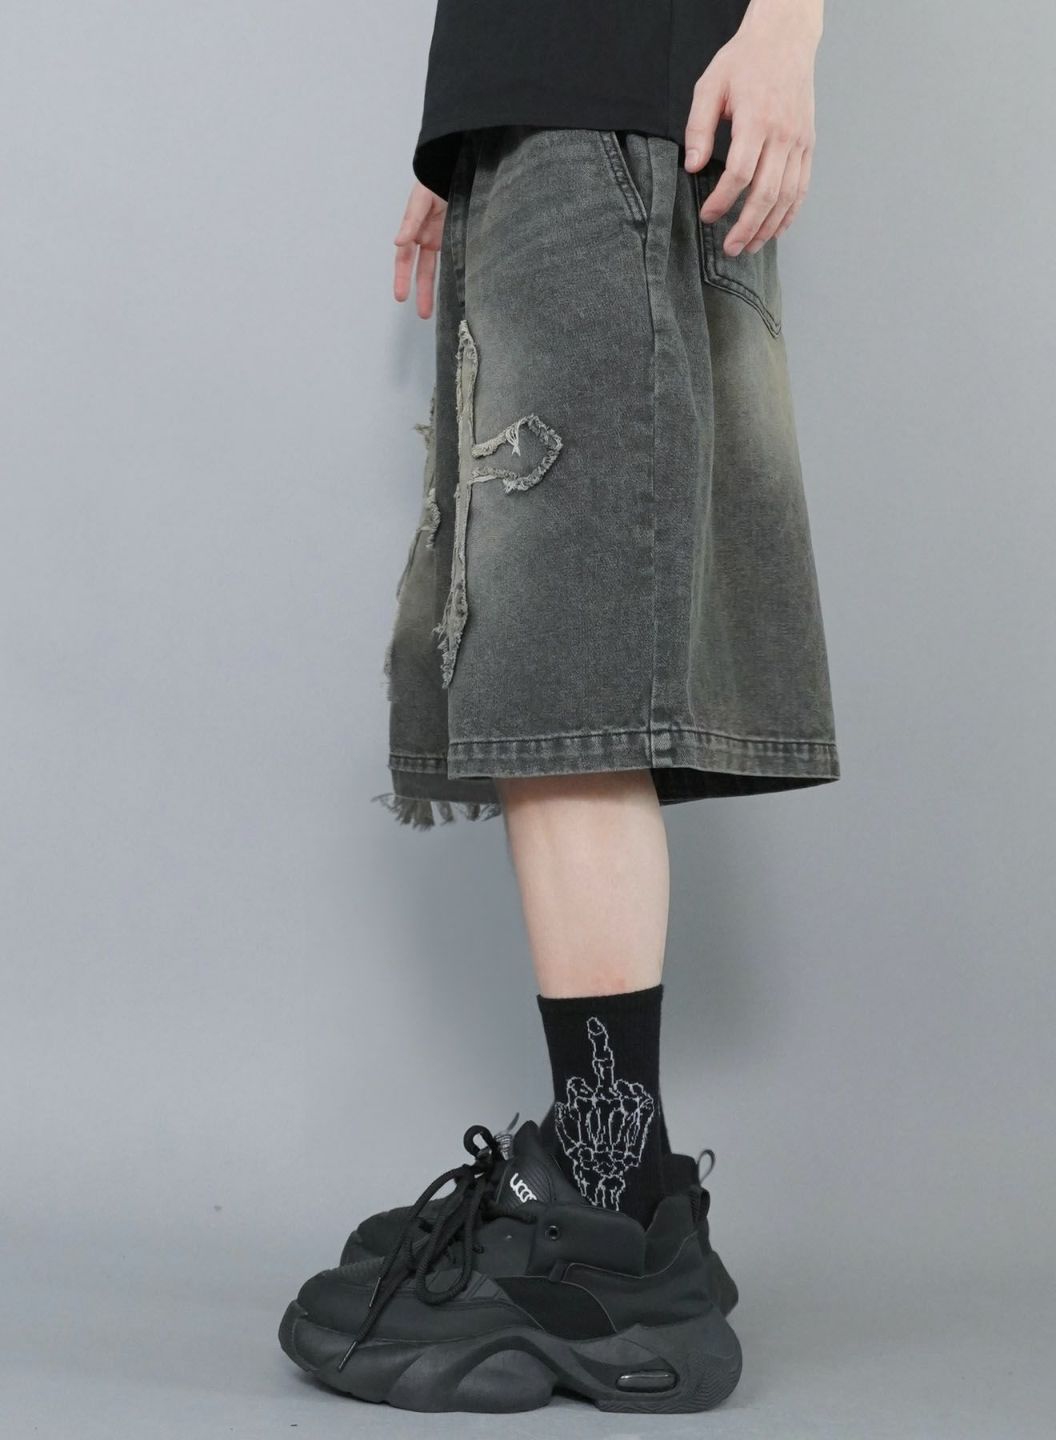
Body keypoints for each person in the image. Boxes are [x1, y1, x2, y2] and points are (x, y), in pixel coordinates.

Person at [278, 0, 837, 1414]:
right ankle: (619, 1187)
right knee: (544, 677)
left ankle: (609, 1222)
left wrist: (786, 30)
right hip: (548, 113)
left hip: (615, 110)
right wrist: (471, 114)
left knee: (568, 686)